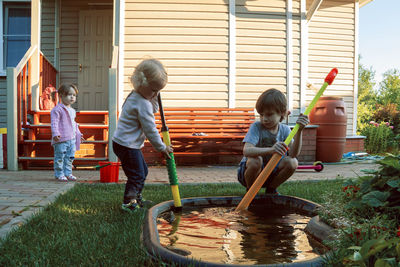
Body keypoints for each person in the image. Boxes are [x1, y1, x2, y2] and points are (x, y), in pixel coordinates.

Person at [112, 58, 173, 213]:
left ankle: (136, 197)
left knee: (142, 171)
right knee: (137, 174)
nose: (156, 94)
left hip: (123, 143)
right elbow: (150, 129)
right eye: (154, 90)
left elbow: (153, 110)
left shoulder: (136, 96)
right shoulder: (142, 103)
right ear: (142, 84)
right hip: (127, 145)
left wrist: (153, 97)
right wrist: (161, 147)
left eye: (158, 91)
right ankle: (129, 202)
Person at [237, 88, 309, 194]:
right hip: (250, 174)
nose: (264, 119)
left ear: (282, 113)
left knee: (292, 162)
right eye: (261, 114)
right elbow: (247, 151)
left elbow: (293, 154)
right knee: (255, 160)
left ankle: (271, 190)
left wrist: (299, 132)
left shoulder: (285, 130)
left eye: (269, 114)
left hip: (272, 173)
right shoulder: (256, 127)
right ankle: (251, 191)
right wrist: (271, 150)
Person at [51, 83, 84, 182]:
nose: (72, 97)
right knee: (60, 157)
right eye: (69, 94)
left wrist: (79, 134)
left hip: (72, 139)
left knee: (69, 158)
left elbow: (74, 124)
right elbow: (54, 123)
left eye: (74, 95)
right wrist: (55, 133)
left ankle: (68, 173)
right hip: (61, 139)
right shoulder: (57, 110)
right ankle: (59, 173)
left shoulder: (72, 110)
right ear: (61, 95)